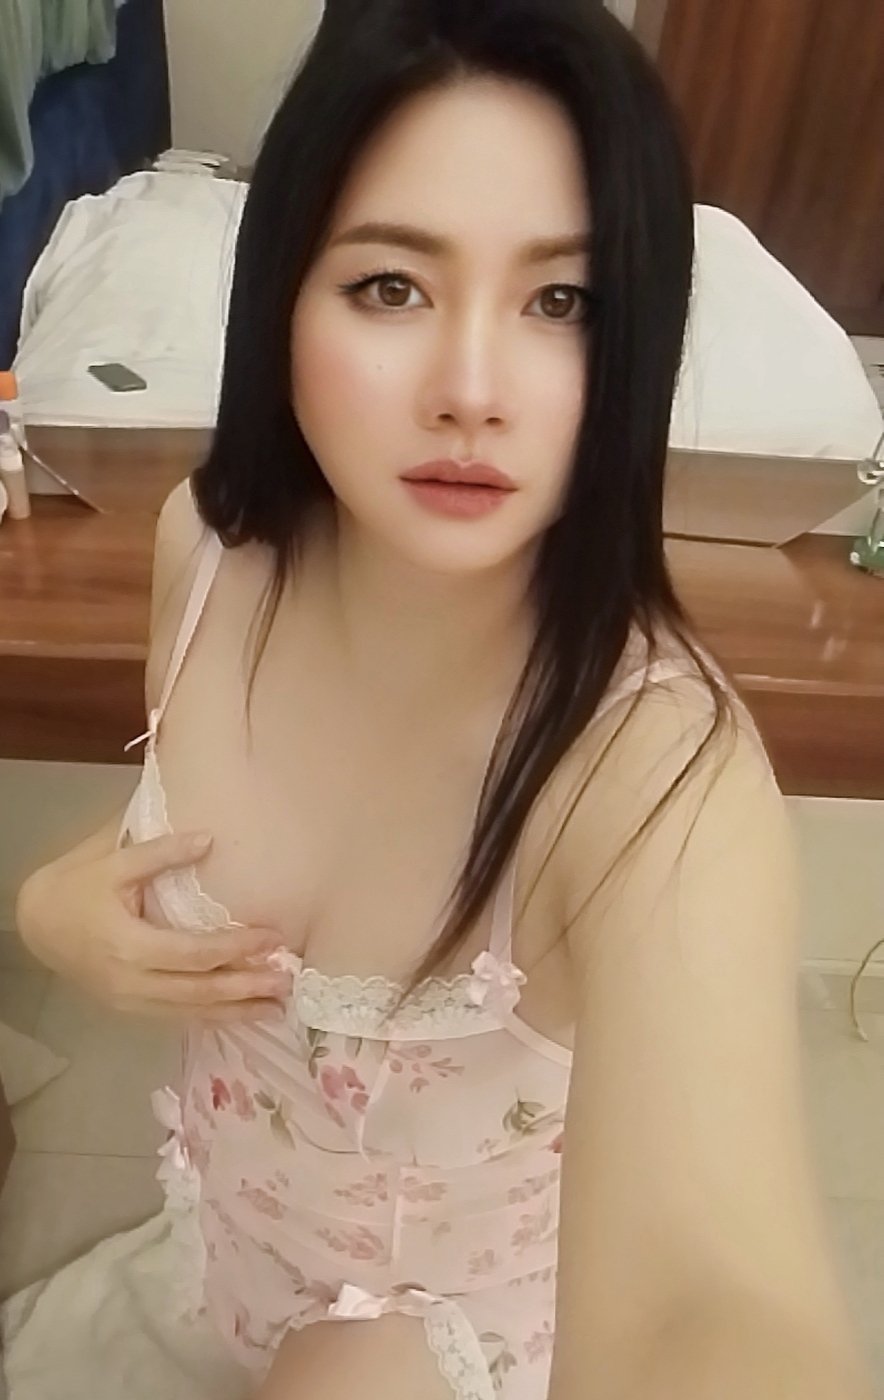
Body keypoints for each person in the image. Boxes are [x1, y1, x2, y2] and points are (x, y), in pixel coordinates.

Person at [15, 3, 874, 1398]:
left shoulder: (658, 777)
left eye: (561, 302)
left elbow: (705, 1301)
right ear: (282, 296)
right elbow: (193, 825)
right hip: (216, 1276)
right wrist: (53, 909)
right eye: (390, 287)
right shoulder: (205, 556)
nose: (472, 392)